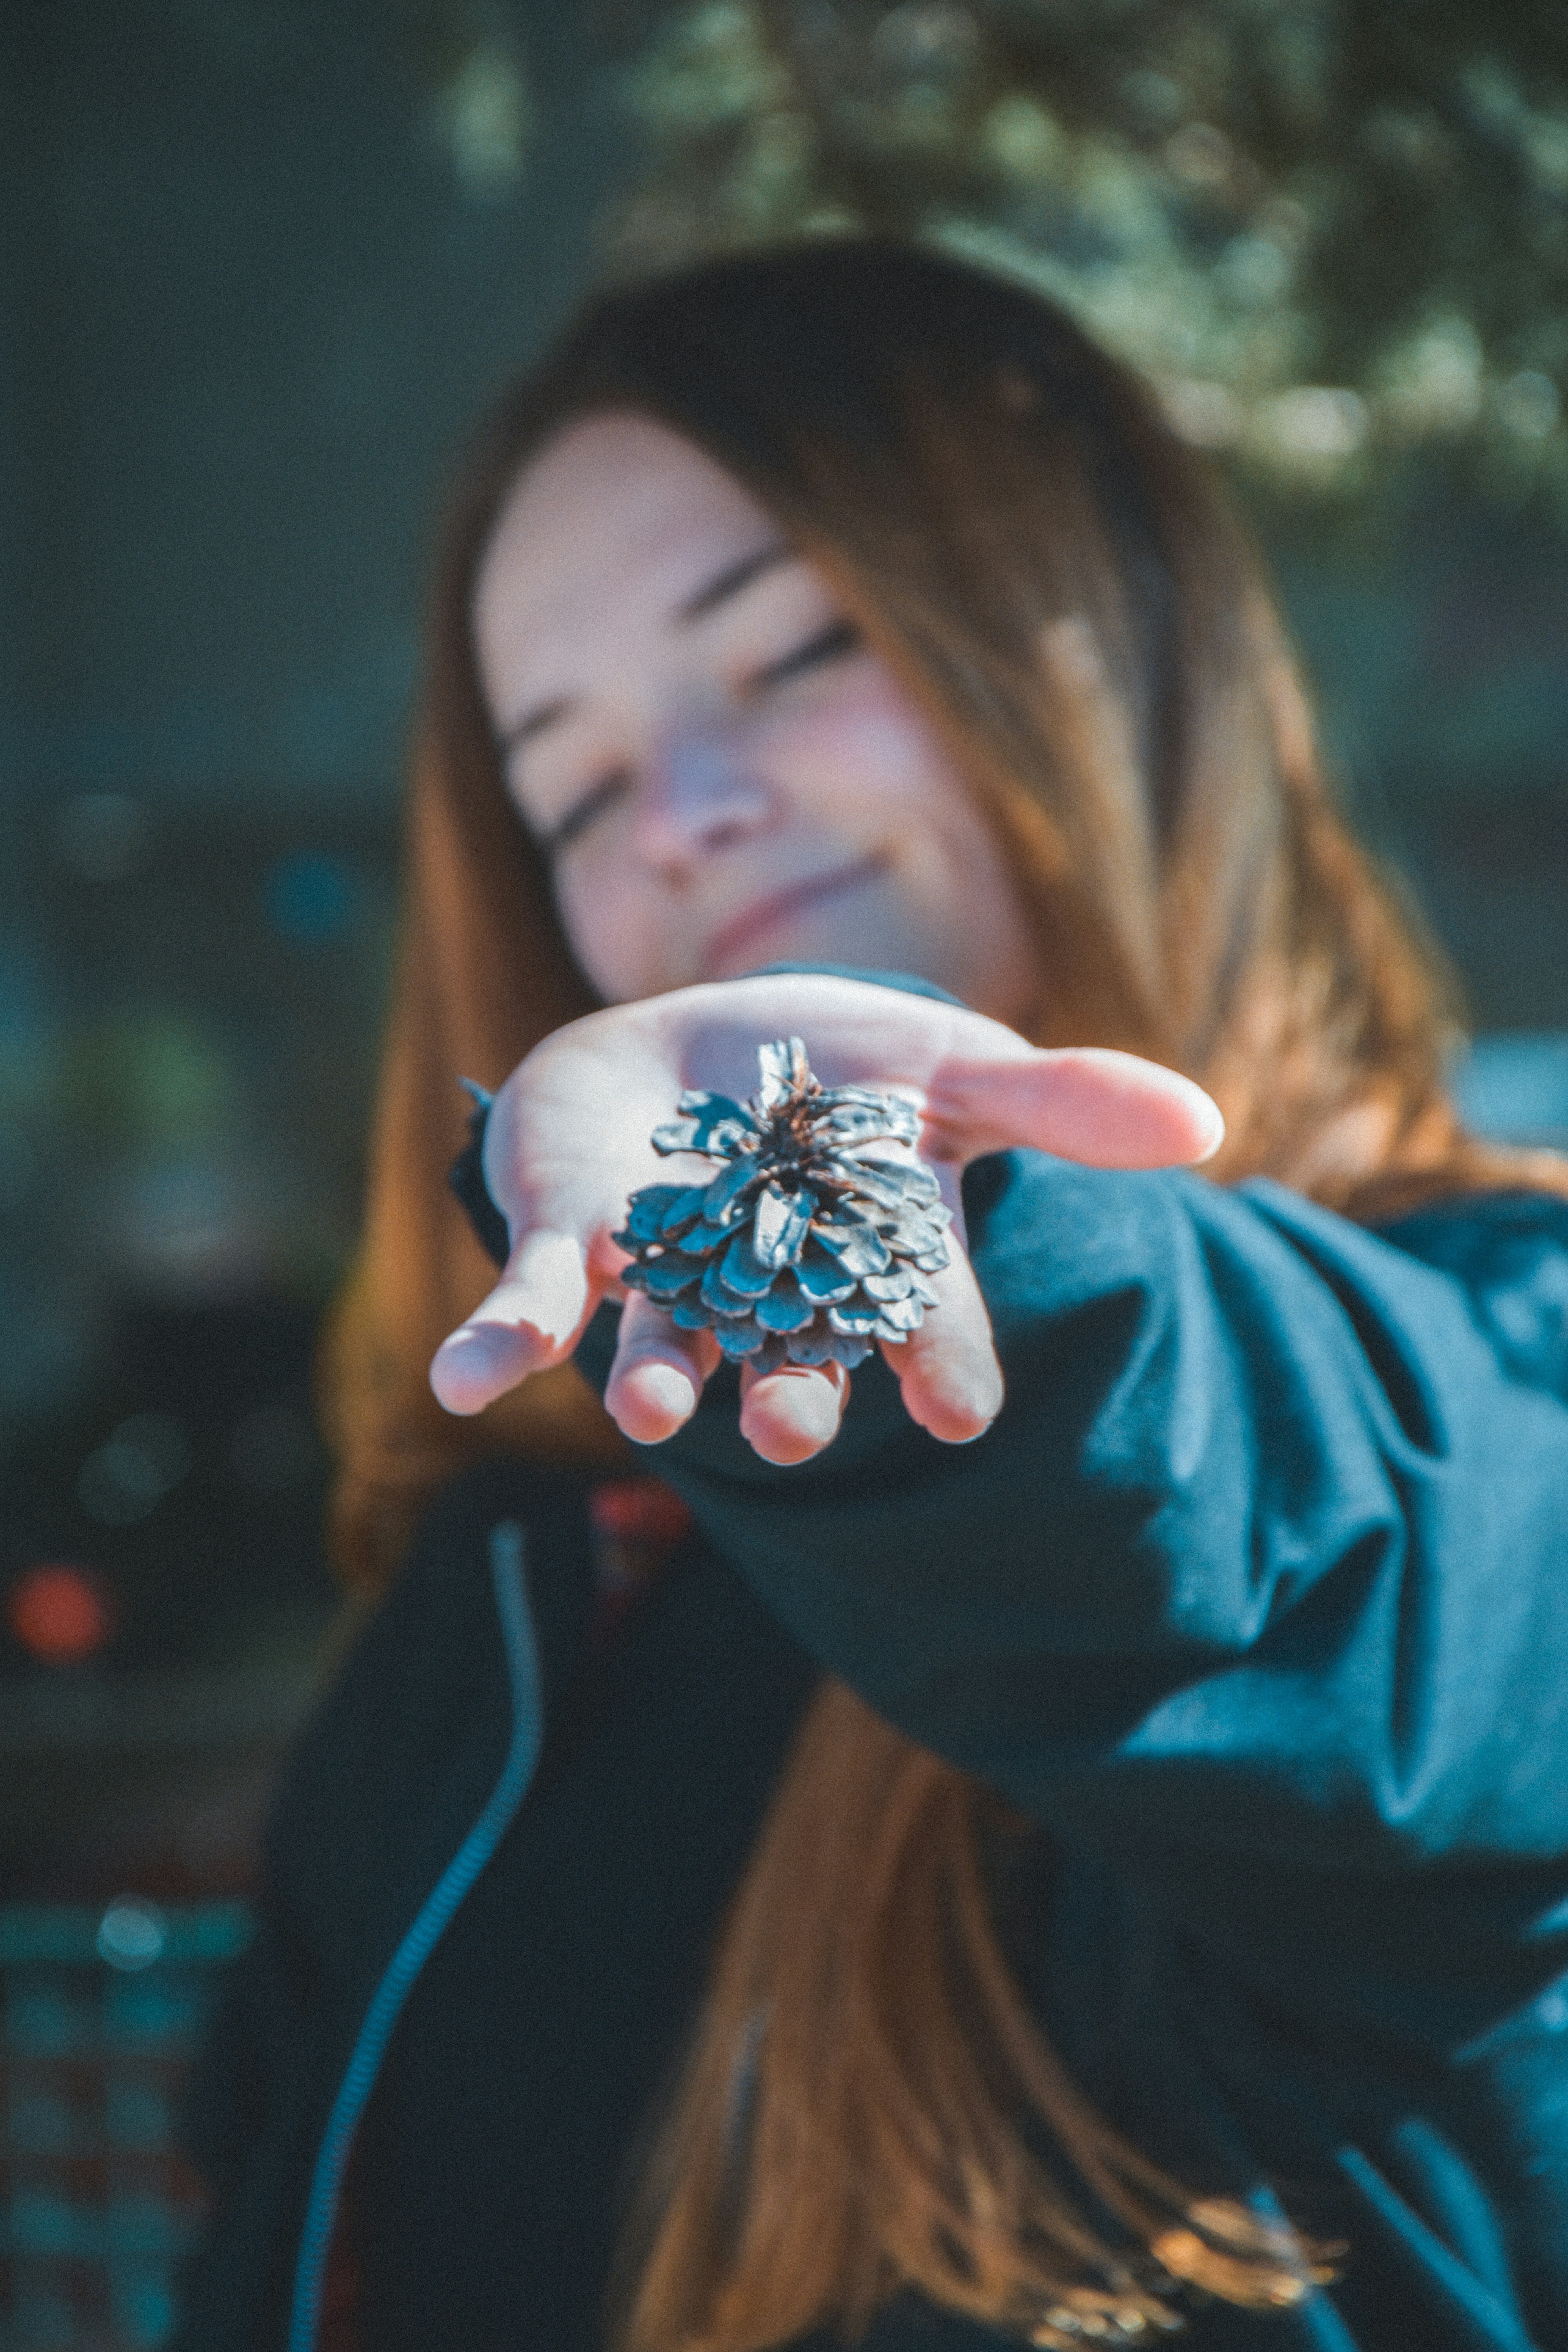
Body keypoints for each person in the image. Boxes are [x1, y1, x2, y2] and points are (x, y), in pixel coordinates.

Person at [176, 243, 1568, 2352]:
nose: (687, 817)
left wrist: (911, 1209)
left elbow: (1332, 1571)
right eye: (572, 785)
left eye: (793, 646)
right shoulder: (520, 1598)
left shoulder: (1497, 1344)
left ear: (1112, 641)